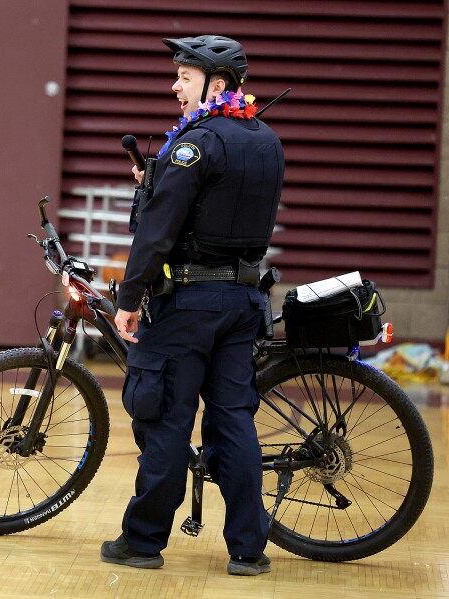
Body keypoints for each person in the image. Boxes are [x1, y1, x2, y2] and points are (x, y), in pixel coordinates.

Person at [100, 35, 285, 575]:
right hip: (243, 302)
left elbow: (158, 231)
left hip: (187, 306)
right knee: (234, 423)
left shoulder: (193, 144)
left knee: (165, 421)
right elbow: (225, 207)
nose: (174, 86)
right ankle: (249, 550)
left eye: (184, 76)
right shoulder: (268, 139)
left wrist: (129, 298)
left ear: (217, 85)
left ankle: (143, 543)